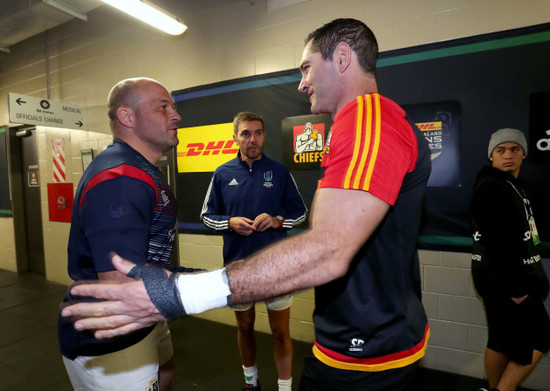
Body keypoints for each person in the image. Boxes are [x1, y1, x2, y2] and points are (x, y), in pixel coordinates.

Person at [62, 18, 432, 391]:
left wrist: (179, 293)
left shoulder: (368, 119)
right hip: (356, 335)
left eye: (306, 67)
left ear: (341, 58)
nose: (302, 82)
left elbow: (328, 249)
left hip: (369, 346)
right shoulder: (357, 125)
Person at [58, 77, 185, 390]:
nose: (176, 115)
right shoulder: (120, 179)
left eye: (173, 106)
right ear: (128, 118)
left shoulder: (139, 169)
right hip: (111, 332)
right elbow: (120, 288)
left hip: (144, 317)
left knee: (166, 374)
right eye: (163, 107)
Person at [200, 111, 307, 391]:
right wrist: (229, 222)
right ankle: (251, 383)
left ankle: (284, 388)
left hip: (277, 268)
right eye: (246, 133)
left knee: (281, 331)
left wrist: (277, 220)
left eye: (258, 133)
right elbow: (206, 216)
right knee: (245, 327)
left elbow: (301, 214)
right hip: (239, 267)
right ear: (235, 137)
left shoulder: (280, 171)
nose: (253, 139)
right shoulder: (223, 174)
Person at [470, 128, 550, 391]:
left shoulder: (512, 185)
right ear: (491, 157)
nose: (508, 155)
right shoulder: (491, 186)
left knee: (500, 340)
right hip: (505, 283)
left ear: (524, 154)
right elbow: (497, 244)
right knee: (541, 336)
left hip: (503, 281)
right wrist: (517, 291)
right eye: (500, 150)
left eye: (514, 149)